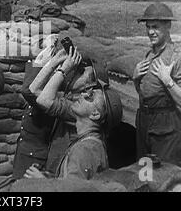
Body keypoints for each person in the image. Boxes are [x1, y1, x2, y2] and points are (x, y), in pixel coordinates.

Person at [13, 40, 110, 178]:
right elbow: (33, 90)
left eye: (80, 72)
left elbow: (38, 97)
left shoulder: (80, 109)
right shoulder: (74, 101)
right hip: (59, 171)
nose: (74, 73)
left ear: (91, 85)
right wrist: (53, 63)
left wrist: (63, 69)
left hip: (70, 172)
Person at [133, 3, 181, 167]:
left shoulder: (176, 57)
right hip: (145, 122)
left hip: (166, 126)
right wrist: (135, 79)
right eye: (148, 27)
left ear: (168, 26)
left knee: (165, 175)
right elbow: (145, 94)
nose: (150, 32)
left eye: (155, 27)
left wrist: (167, 80)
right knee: (144, 173)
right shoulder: (149, 54)